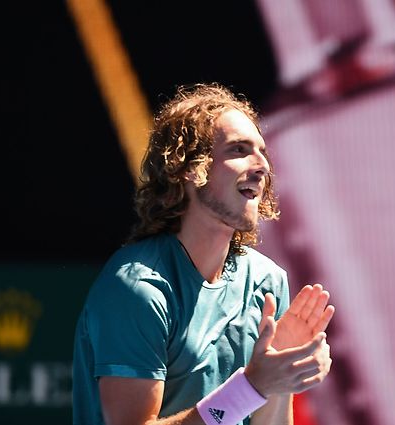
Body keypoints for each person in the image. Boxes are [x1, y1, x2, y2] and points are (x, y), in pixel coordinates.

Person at [72, 82, 335, 425]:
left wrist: (279, 374)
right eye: (239, 150)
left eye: (263, 153)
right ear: (188, 168)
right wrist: (252, 386)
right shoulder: (137, 288)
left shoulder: (267, 282)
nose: (262, 166)